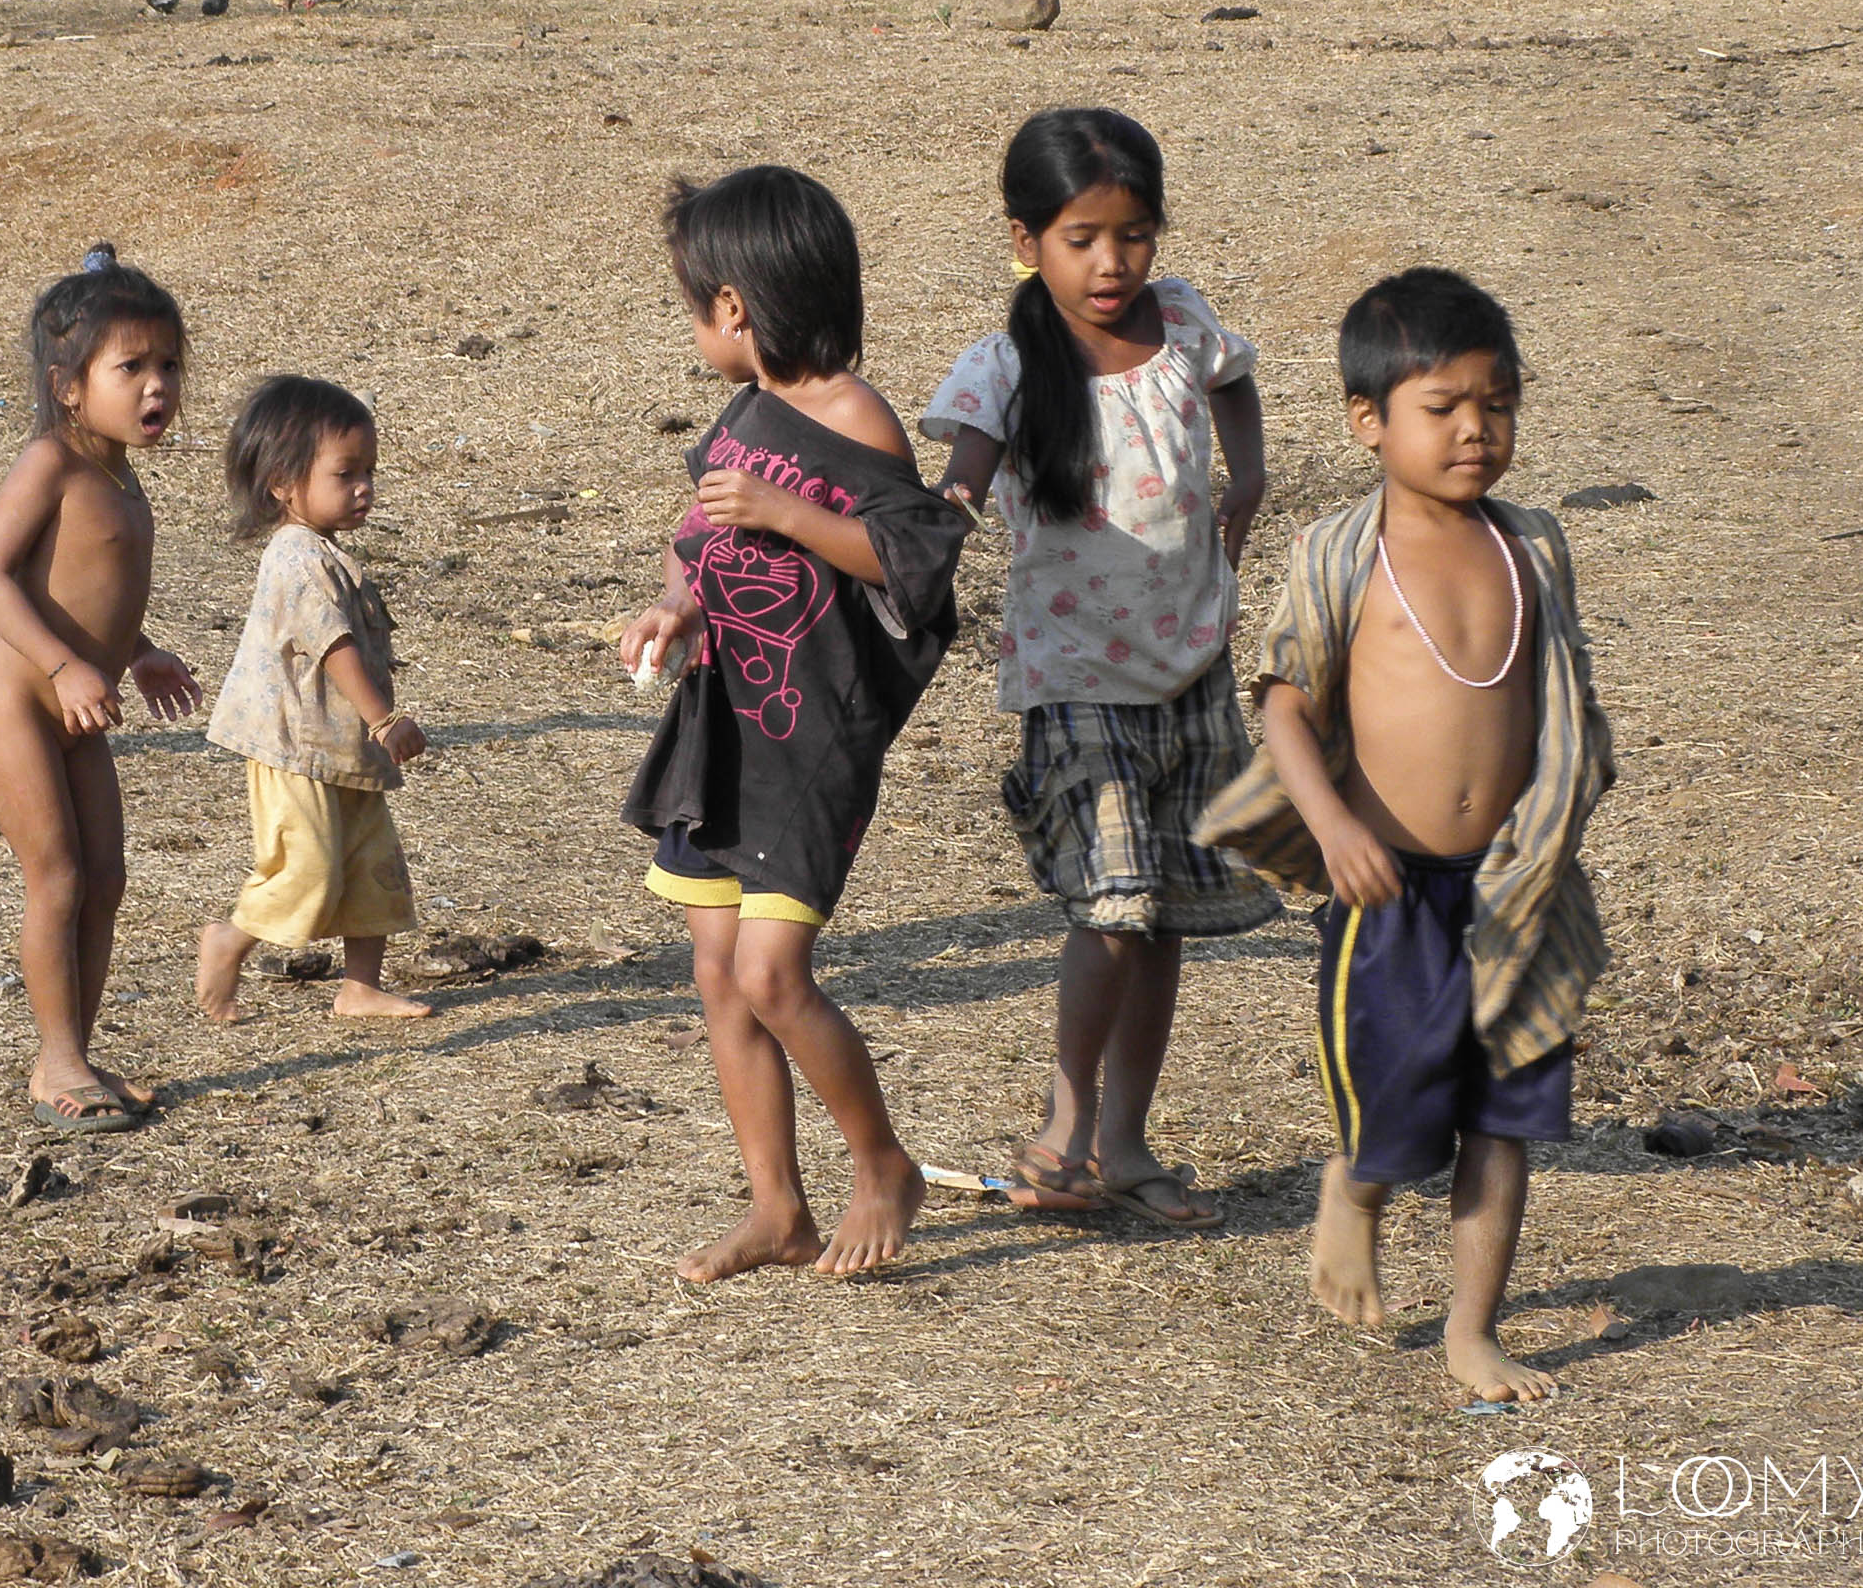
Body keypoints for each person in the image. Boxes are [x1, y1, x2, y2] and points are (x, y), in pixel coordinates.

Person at [1197, 268, 1614, 1402]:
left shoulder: (1532, 548)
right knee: (1394, 1092)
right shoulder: (1343, 552)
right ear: (1367, 420)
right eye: (1444, 407)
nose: (1476, 430)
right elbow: (1285, 704)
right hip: (1388, 886)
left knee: (1502, 1115)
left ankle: (1473, 1329)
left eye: (1498, 404)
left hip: (1513, 887)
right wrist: (1331, 826)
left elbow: (1559, 699)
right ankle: (1358, 1182)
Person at [922, 107, 1279, 1228]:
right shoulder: (1005, 368)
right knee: (1114, 908)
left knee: (1159, 917)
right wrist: (930, 531)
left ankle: (1124, 1143)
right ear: (1025, 240)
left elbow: (1233, 381)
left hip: (1191, 668)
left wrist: (1249, 475)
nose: (1112, 263)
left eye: (1134, 235)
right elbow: (959, 484)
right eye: (1082, 239)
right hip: (1075, 677)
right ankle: (1065, 1125)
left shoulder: (1182, 324)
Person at [620, 166, 966, 1282]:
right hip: (722, 730)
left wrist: (788, 511)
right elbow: (699, 542)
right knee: (718, 974)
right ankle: (778, 1208)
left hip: (808, 740)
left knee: (773, 976)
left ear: (734, 307)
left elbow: (913, 563)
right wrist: (674, 609)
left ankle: (884, 1166)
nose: (695, 330)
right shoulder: (744, 417)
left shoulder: (855, 416)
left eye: (694, 307)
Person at [0, 246, 202, 1134]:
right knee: (57, 877)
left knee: (106, 878)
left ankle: (75, 1051)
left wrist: (137, 651)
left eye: (168, 365)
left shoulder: (120, 475)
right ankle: (56, 1060)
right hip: (19, 700)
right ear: (68, 387)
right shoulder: (51, 464)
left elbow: (84, 591)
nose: (157, 385)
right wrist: (64, 667)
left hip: (80, 709)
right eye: (131, 367)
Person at [194, 376, 434, 1023]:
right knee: (309, 866)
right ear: (282, 482)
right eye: (345, 474)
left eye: (369, 472)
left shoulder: (324, 552)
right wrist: (383, 718)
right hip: (297, 748)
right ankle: (230, 939)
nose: (364, 488)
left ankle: (360, 987)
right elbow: (332, 644)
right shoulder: (296, 557)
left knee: (372, 867)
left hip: (343, 747)